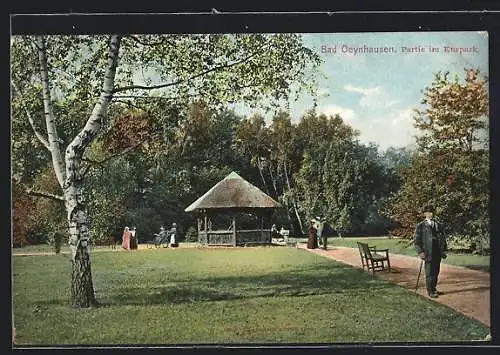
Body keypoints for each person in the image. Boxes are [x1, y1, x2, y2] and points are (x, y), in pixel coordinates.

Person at [414, 204, 448, 298]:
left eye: (432, 212)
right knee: (429, 272)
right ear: (425, 214)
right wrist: (420, 252)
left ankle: (434, 288)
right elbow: (417, 241)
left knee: (436, 271)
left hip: (437, 252)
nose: (430, 214)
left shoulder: (438, 224)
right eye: (428, 212)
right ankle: (430, 291)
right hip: (428, 253)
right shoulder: (420, 226)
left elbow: (443, 239)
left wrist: (444, 250)